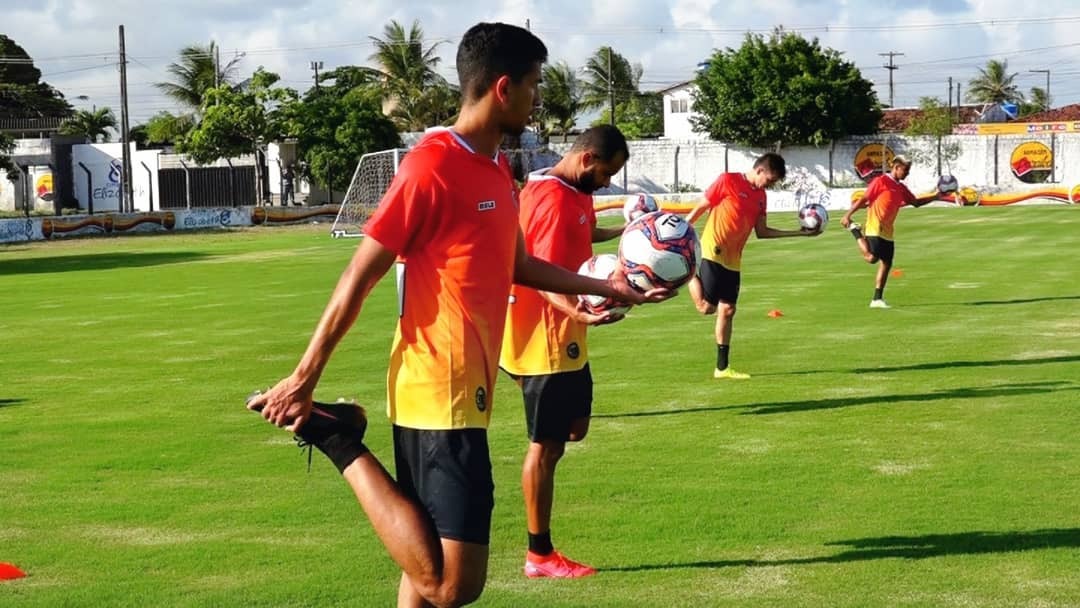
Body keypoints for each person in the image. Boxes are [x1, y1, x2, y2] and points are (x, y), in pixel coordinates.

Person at [246, 23, 668, 608]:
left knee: (421, 561)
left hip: (467, 388)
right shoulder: (430, 166)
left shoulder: (498, 169)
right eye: (534, 85)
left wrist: (608, 286)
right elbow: (359, 275)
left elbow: (517, 263)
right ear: (503, 88)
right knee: (450, 584)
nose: (538, 98)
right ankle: (337, 436)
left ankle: (338, 431)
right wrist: (304, 375)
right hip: (436, 387)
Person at [500, 125, 629, 579]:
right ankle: (539, 554)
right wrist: (580, 313)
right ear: (588, 159)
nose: (609, 183)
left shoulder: (574, 191)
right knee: (546, 446)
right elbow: (538, 273)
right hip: (544, 339)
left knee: (574, 431)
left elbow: (585, 236)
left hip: (567, 336)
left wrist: (635, 233)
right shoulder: (552, 200)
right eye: (607, 173)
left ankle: (539, 545)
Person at [685, 153, 820, 379]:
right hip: (713, 251)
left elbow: (762, 232)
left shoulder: (761, 196)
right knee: (706, 308)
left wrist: (800, 233)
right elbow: (701, 206)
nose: (770, 185)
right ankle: (688, 270)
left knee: (728, 310)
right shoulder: (727, 180)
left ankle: (722, 368)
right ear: (759, 170)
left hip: (734, 260)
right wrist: (680, 233)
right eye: (769, 180)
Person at [840, 154, 938, 309]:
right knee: (872, 258)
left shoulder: (901, 187)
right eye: (905, 170)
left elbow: (916, 203)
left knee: (886, 263)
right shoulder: (880, 181)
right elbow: (864, 198)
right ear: (896, 167)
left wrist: (936, 196)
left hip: (888, 230)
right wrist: (848, 215)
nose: (907, 174)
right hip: (875, 225)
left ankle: (877, 299)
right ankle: (855, 230)